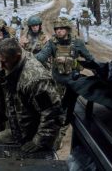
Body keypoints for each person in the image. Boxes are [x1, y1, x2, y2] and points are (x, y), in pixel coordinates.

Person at [0, 38, 63, 153]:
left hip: (33, 134)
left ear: (17, 57)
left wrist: (38, 141)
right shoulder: (10, 61)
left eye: (4, 62)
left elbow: (53, 114)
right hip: (18, 126)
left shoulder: (36, 80)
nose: (1, 66)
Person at [35, 16, 96, 148]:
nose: (59, 31)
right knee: (55, 108)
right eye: (57, 29)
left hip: (73, 83)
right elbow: (40, 57)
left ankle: (60, 135)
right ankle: (53, 133)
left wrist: (99, 71)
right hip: (57, 83)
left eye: (62, 28)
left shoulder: (77, 43)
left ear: (67, 29)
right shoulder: (52, 43)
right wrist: (28, 59)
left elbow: (90, 59)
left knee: (68, 110)